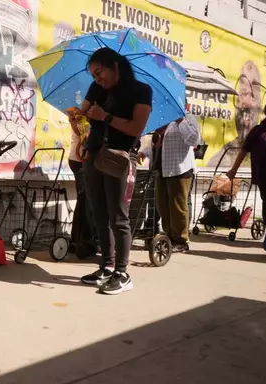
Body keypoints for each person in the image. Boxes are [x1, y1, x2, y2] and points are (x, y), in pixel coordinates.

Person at [67, 47, 152, 295]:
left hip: (119, 157)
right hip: (92, 155)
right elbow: (84, 119)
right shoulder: (96, 90)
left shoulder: (141, 91)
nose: (97, 79)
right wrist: (77, 121)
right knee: (99, 215)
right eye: (93, 75)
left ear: (115, 66)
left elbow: (137, 127)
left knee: (118, 216)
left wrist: (105, 117)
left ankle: (123, 273)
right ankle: (106, 265)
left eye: (99, 72)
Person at [151, 114, 201, 252]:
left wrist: (181, 122)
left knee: (177, 206)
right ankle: (169, 237)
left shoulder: (189, 119)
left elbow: (194, 140)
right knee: (163, 205)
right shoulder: (165, 120)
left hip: (180, 169)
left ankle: (181, 240)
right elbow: (156, 141)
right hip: (162, 168)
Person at [66, 109, 98, 258]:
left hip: (82, 160)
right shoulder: (81, 116)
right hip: (80, 160)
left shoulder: (87, 116)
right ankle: (83, 241)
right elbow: (84, 139)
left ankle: (78, 240)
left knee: (84, 200)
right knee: (86, 200)